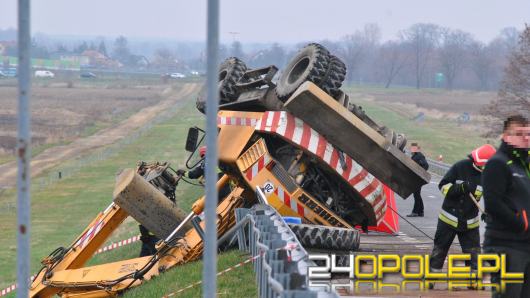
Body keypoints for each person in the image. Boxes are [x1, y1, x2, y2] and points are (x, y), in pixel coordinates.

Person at [429, 144, 496, 277]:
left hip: (470, 224)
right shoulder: (460, 167)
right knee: (439, 252)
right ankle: (431, 278)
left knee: (474, 256)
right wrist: (458, 189)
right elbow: (443, 186)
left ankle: (473, 281)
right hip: (448, 221)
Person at [482, 115, 530, 298]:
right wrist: (522, 224)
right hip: (506, 245)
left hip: (526, 245)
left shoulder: (525, 165)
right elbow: (493, 203)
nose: (525, 138)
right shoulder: (498, 163)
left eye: (528, 134)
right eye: (518, 134)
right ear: (505, 136)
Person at [407, 143, 429, 217]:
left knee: (416, 195)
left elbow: (426, 165)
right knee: (417, 195)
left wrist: (420, 174)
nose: (411, 149)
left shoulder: (419, 156)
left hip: (417, 179)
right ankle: (420, 211)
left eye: (413, 148)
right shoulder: (415, 156)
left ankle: (415, 212)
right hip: (416, 178)